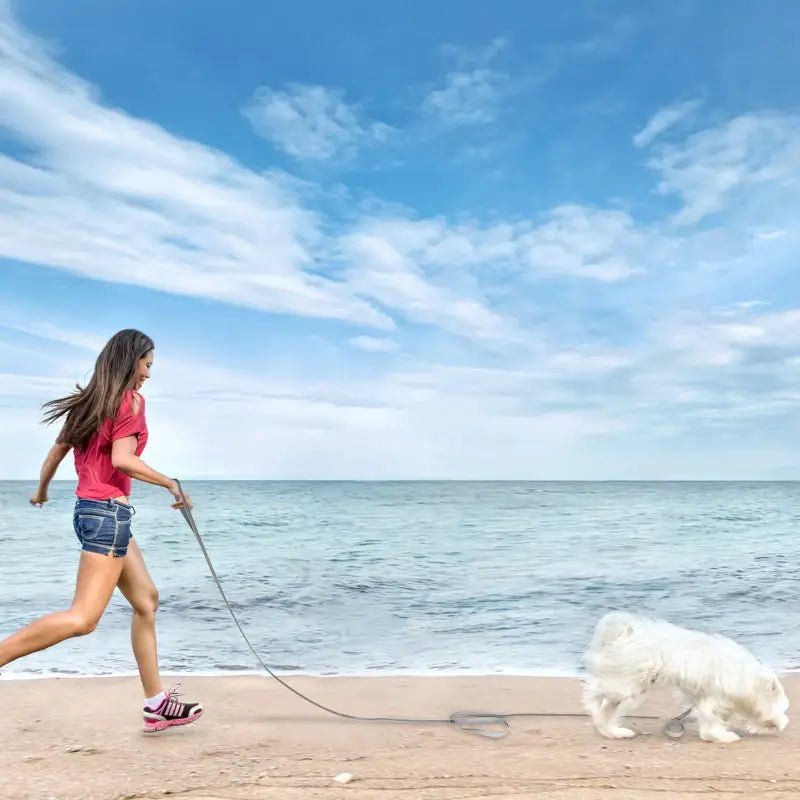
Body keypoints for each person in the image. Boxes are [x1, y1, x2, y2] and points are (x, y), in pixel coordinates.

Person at [0, 328, 204, 733]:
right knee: (83, 618)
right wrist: (171, 483)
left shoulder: (88, 402)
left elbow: (55, 454)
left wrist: (41, 491)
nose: (148, 374)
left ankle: (156, 706)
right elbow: (123, 459)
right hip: (108, 514)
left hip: (92, 511)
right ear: (130, 360)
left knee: (145, 600)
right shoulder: (130, 401)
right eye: (146, 364)